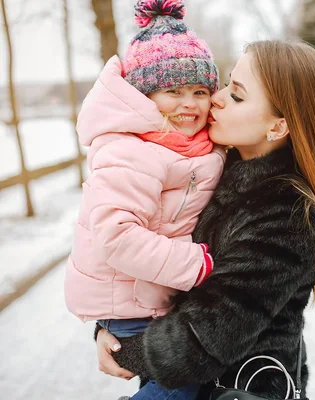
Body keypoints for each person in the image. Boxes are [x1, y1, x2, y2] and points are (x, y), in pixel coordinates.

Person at [95, 39, 315, 400]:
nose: (217, 97)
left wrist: (126, 350)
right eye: (229, 82)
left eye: (237, 95)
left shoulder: (288, 213)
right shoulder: (215, 170)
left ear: (277, 127)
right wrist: (111, 324)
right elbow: (152, 249)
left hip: (242, 390)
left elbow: (212, 330)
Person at [64, 1, 224, 398]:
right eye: (173, 91)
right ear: (143, 97)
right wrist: (197, 263)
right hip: (132, 307)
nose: (189, 103)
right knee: (179, 389)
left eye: (200, 91)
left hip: (152, 298)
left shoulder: (190, 146)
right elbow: (116, 235)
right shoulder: (131, 151)